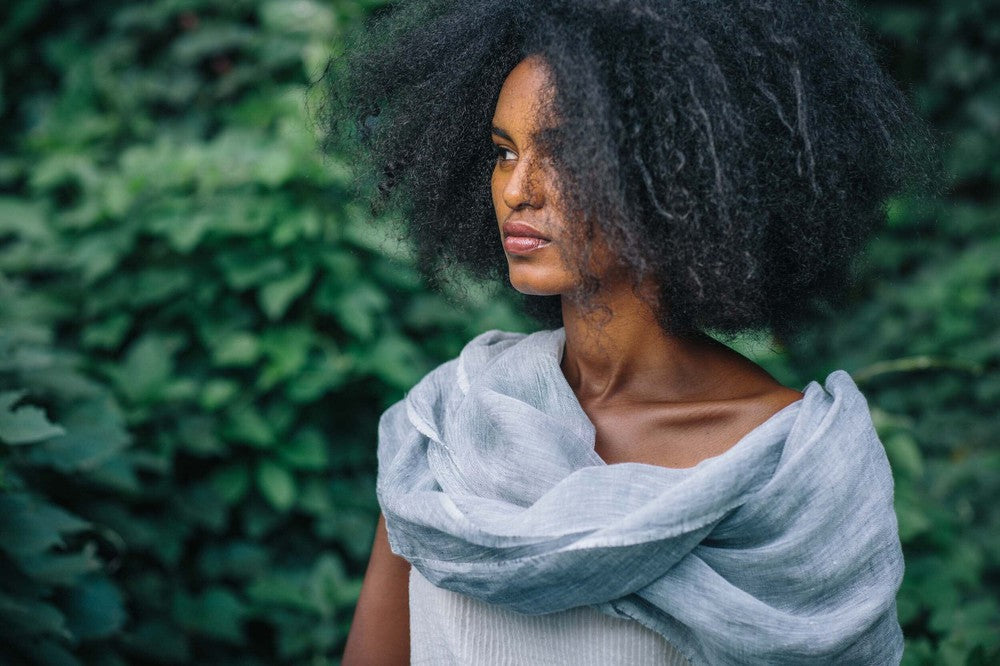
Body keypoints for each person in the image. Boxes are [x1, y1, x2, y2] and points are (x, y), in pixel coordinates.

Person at [329, 1, 935, 663]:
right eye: (504, 153)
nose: (517, 190)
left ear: (680, 171)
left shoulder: (792, 466)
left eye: (565, 154)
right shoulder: (449, 423)